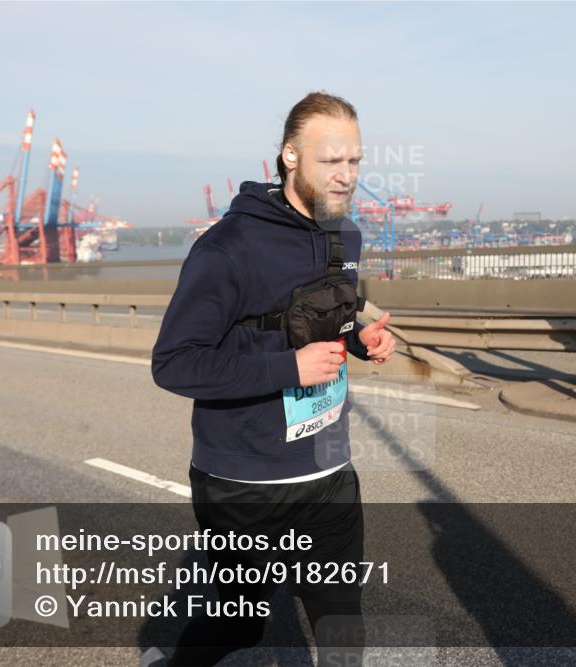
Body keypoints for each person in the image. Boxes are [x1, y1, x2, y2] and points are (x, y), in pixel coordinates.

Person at [151, 91, 395, 666]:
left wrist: (358, 342)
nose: (346, 176)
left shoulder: (346, 236)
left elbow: (317, 325)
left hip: (330, 473)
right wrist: (289, 367)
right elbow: (174, 362)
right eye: (330, 160)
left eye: (354, 161)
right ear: (289, 156)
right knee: (236, 629)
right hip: (244, 485)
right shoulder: (227, 248)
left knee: (342, 632)